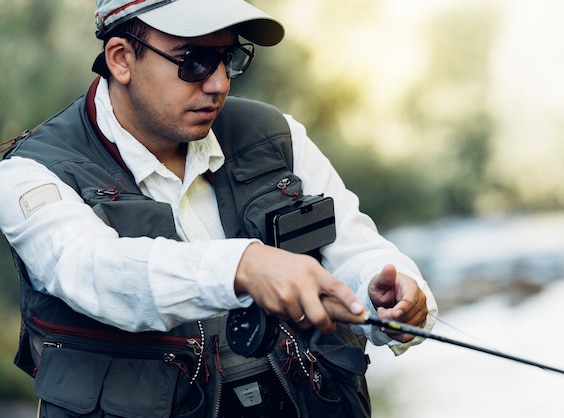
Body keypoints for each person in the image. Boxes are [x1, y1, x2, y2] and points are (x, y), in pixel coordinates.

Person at [0, 0, 438, 417]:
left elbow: (358, 251)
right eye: (193, 60)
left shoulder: (276, 134)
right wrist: (243, 266)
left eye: (229, 57)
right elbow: (92, 270)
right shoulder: (30, 172)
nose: (220, 83)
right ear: (121, 58)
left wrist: (394, 297)